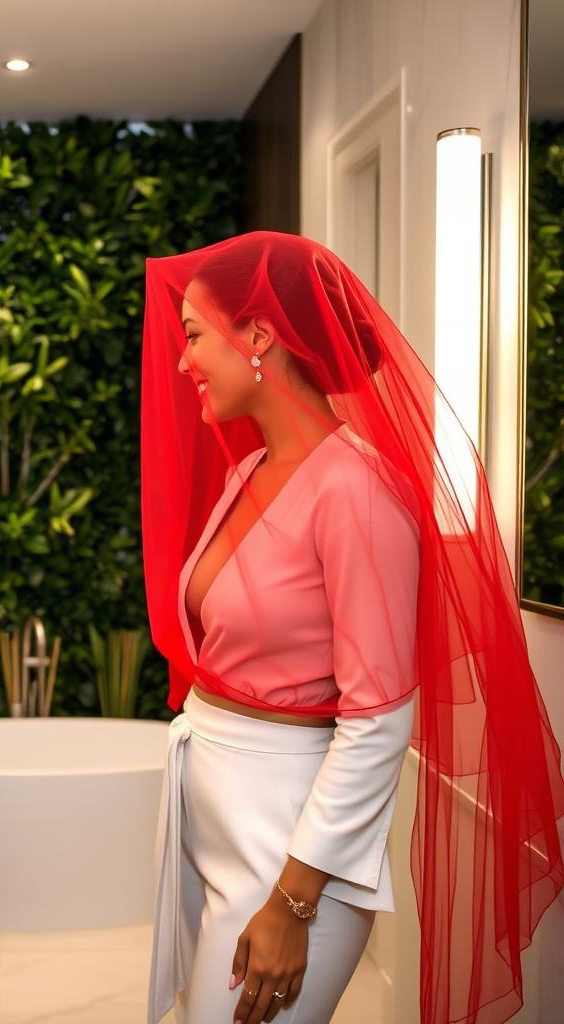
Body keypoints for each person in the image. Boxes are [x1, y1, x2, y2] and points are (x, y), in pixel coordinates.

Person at [140, 232, 564, 1024]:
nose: (182, 360)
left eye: (194, 334)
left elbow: (376, 718)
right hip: (221, 825)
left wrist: (294, 904)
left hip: (291, 854)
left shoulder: (356, 491)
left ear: (259, 334)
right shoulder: (247, 472)